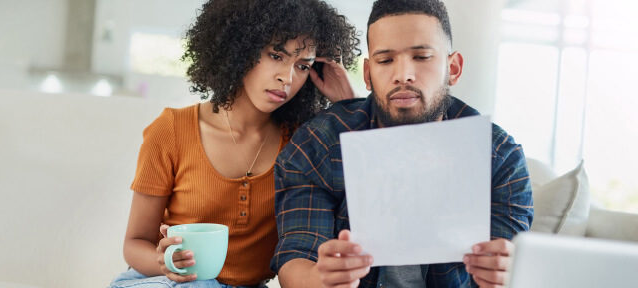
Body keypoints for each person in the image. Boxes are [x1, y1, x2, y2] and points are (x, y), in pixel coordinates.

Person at [271, 0, 533, 287]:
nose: (403, 75)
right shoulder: (319, 144)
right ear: (368, 75)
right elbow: (295, 263)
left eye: (421, 57)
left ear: (453, 68)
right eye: (386, 60)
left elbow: (509, 266)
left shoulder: (499, 156)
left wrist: (506, 273)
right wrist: (322, 278)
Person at [110, 0, 360, 287]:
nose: (287, 78)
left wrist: (347, 105)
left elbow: (367, 183)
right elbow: (135, 242)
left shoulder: (303, 141)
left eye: (303, 66)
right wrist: (165, 262)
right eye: (276, 55)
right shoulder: (171, 131)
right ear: (241, 47)